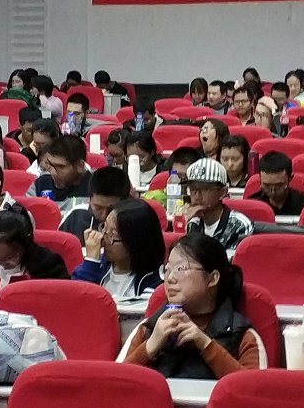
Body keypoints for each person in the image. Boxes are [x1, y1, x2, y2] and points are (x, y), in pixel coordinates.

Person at [118, 234, 264, 377]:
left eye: (181, 269)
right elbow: (115, 381)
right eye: (167, 270)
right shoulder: (149, 327)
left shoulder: (242, 334)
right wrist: (150, 347)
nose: (170, 278)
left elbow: (253, 388)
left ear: (213, 278)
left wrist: (206, 344)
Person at [73, 197, 166, 301]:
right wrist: (91, 260)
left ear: (136, 242)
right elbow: (77, 300)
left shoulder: (155, 281)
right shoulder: (96, 267)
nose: (103, 238)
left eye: (112, 235)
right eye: (104, 227)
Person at [0, 207, 69, 291]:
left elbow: (61, 297)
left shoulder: (47, 264)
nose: (3, 264)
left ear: (24, 247)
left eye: (10, 258)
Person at [181, 158, 253, 253]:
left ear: (222, 192)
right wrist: (183, 224)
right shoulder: (193, 222)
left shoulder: (239, 225)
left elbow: (232, 261)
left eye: (204, 189)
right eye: (193, 189)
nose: (197, 196)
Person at [60, 166, 132, 243]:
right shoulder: (76, 216)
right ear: (90, 200)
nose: (104, 216)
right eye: (98, 208)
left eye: (112, 209)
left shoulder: (135, 221)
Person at [31, 134, 88, 211]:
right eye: (50, 165)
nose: (53, 172)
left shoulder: (95, 189)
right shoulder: (40, 183)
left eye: (60, 167)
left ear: (80, 166)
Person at [248, 150, 304, 217]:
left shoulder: (301, 202)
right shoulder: (254, 204)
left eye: (279, 185)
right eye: (267, 186)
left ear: (290, 178)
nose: (273, 192)